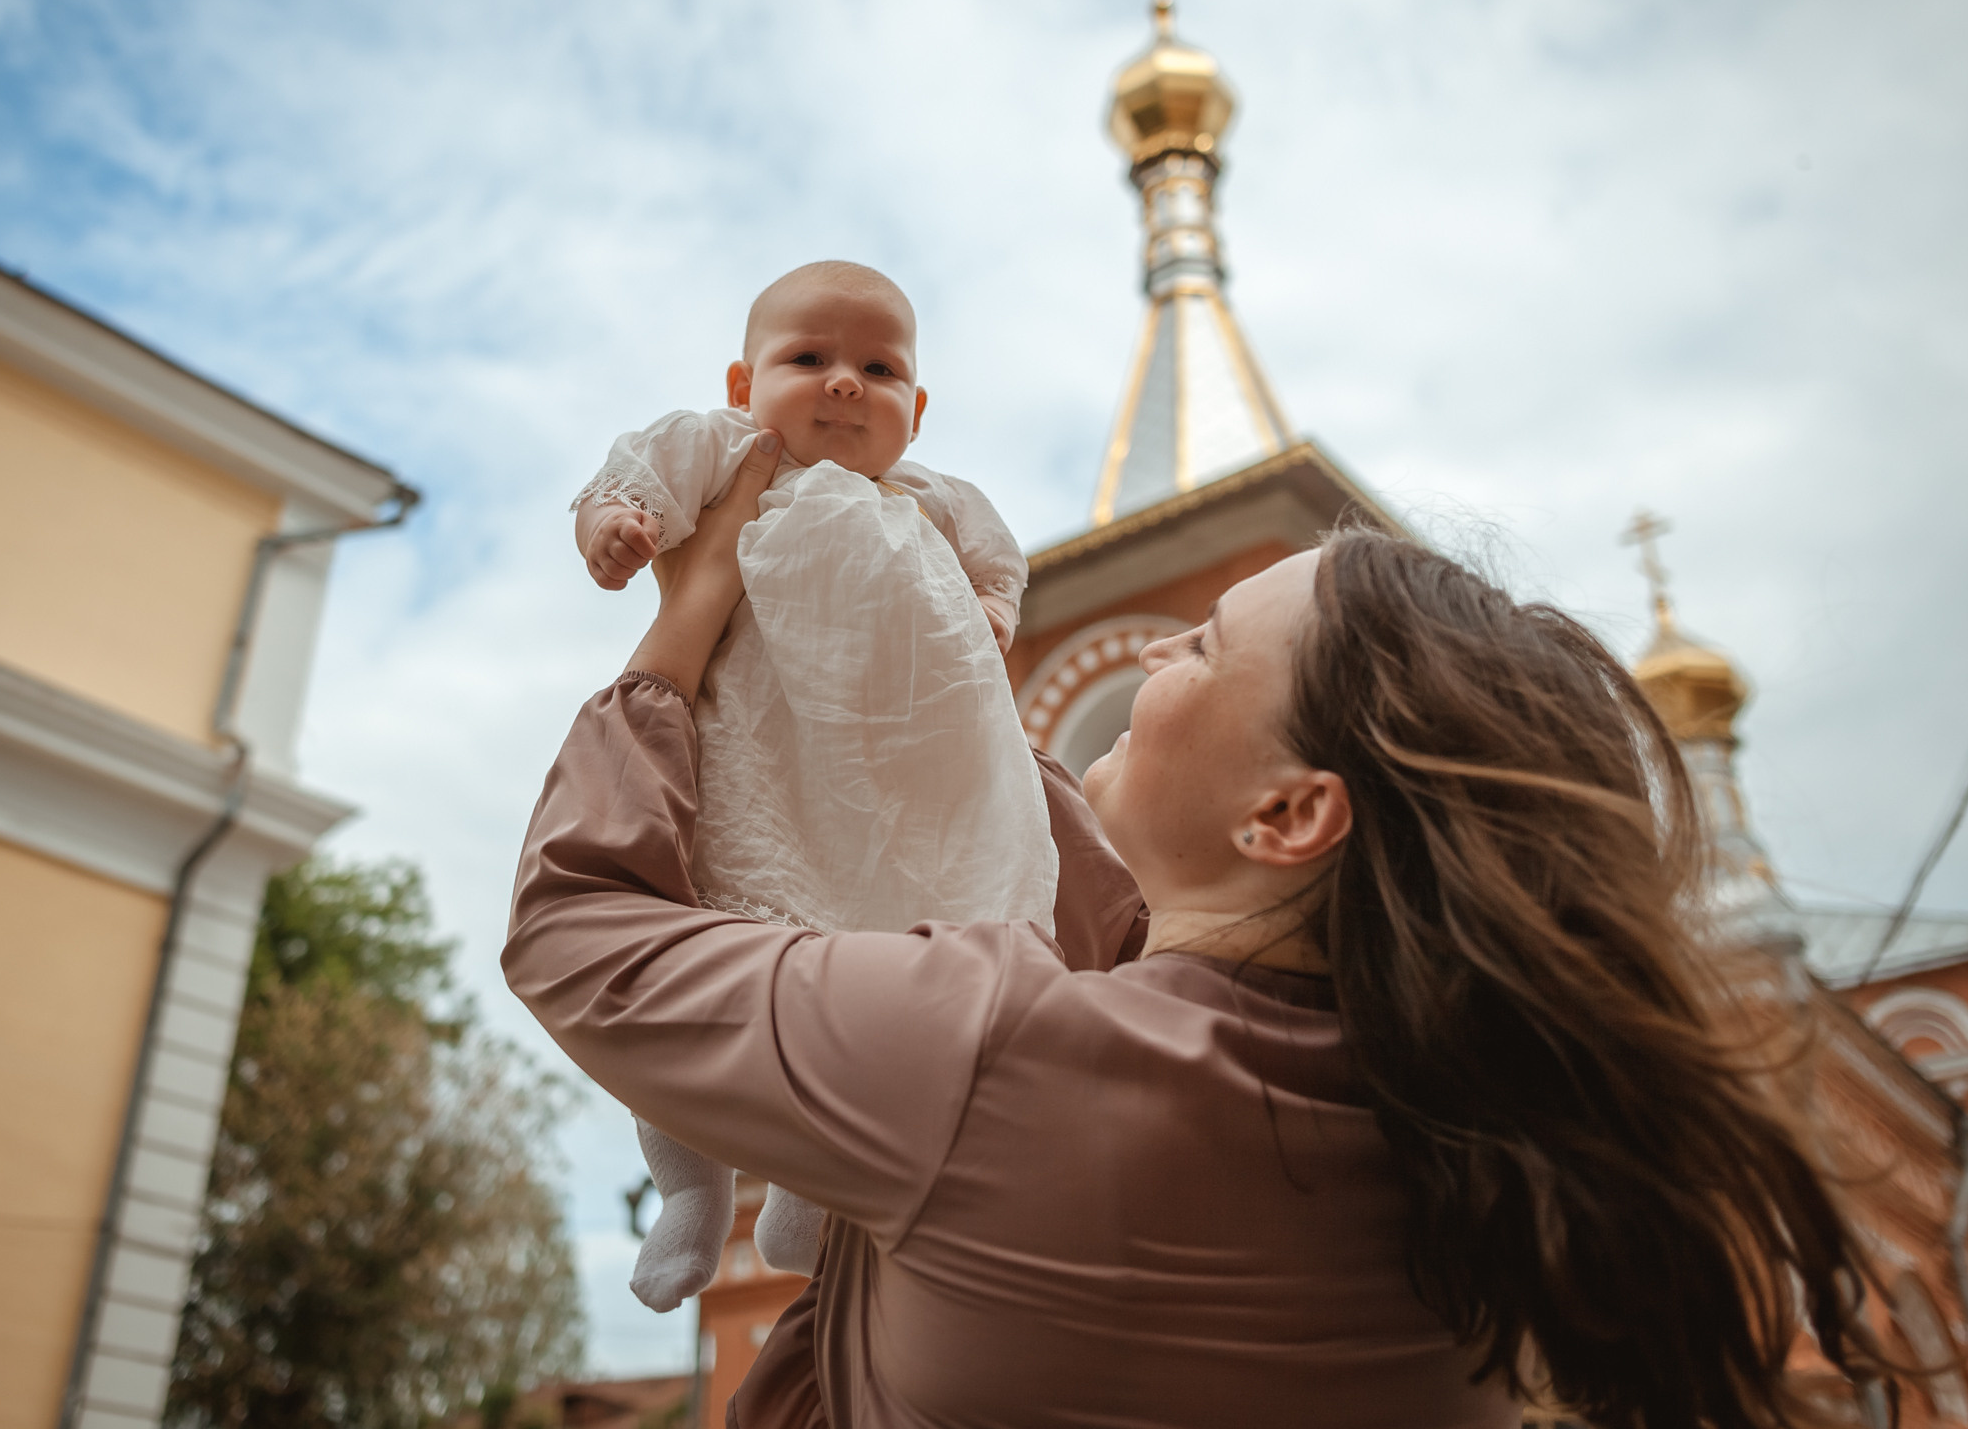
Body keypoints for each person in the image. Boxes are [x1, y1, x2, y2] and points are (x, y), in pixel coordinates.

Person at [506, 433, 1887, 1428]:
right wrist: (962, 711)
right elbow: (1146, 963)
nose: (1156, 660)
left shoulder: (978, 1055)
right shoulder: (1458, 1148)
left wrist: (679, 635)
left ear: (1290, 816)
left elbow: (578, 930)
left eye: (1206, 648)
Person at [568, 261, 1057, 1307]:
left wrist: (994, 611)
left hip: (880, 799)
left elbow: (999, 567)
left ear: (916, 413)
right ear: (743, 384)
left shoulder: (933, 502)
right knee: (712, 973)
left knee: (858, 986)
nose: (844, 383)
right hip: (754, 764)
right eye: (809, 359)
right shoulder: (726, 449)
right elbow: (624, 478)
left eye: (877, 369)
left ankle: (809, 1188)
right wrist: (613, 530)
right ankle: (693, 1189)